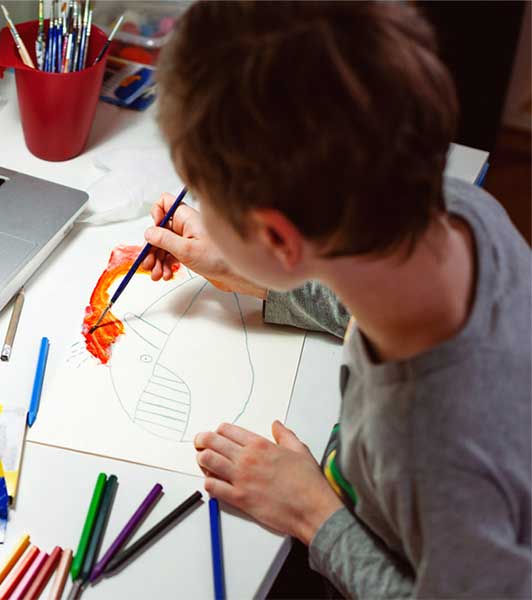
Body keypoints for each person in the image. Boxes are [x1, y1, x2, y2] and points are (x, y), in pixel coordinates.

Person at [141, 1, 532, 596]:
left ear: (277, 237)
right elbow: (362, 299)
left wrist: (312, 515)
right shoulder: (455, 208)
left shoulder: (433, 445)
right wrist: (253, 273)